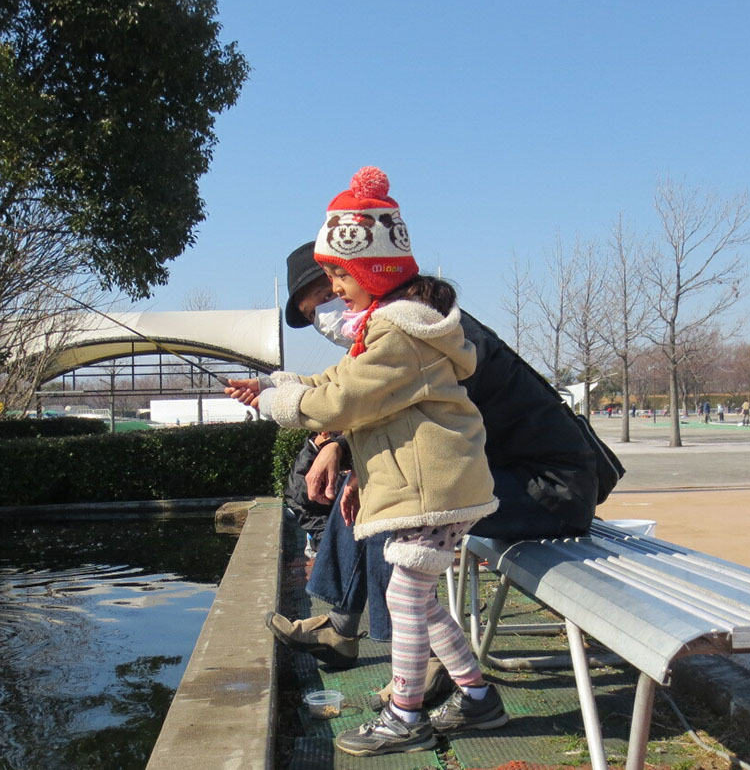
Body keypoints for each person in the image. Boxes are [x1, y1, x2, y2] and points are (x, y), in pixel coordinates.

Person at [253, 236, 624, 706]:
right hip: (497, 475)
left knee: (399, 508)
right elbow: (395, 411)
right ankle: (343, 626)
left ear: (374, 277)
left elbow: (383, 408)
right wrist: (345, 453)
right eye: (313, 312)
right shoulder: (399, 328)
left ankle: (423, 663)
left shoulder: (420, 331)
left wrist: (335, 441)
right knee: (376, 489)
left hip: (547, 487)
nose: (330, 310)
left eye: (332, 291)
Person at [228, 167, 507, 756]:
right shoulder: (396, 331)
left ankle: (406, 713)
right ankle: (479, 700)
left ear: (370, 270)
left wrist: (286, 402)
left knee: (406, 596)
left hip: (434, 490)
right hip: (434, 487)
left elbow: (342, 399)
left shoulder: (398, 334)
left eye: (336, 274)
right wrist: (279, 384)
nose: (334, 289)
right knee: (420, 599)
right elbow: (338, 381)